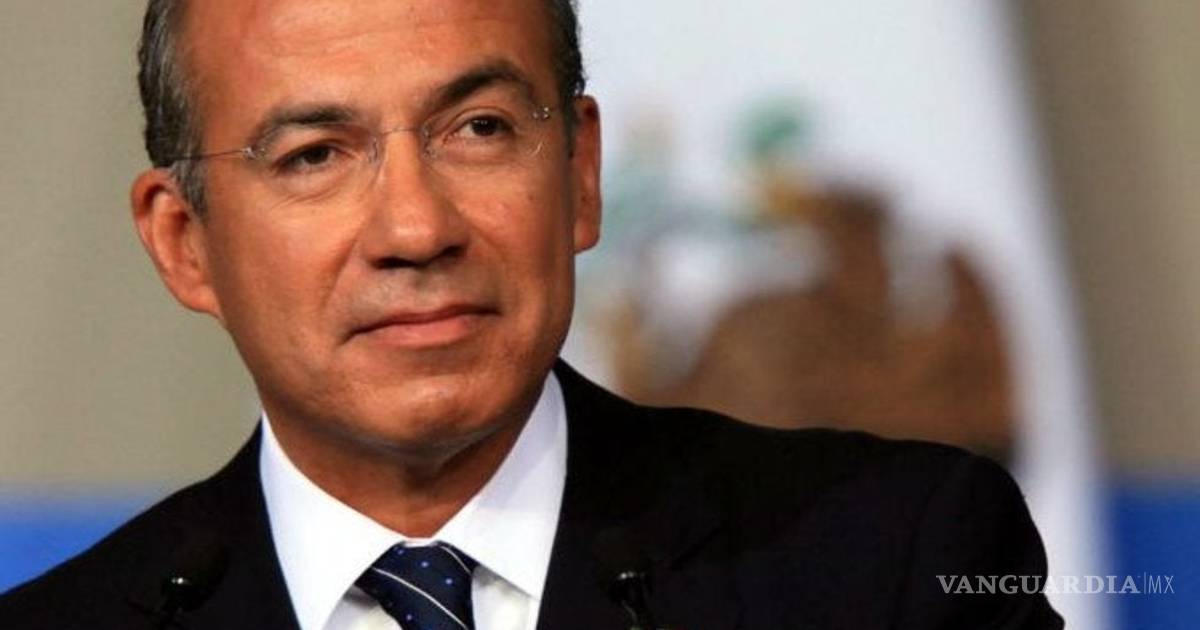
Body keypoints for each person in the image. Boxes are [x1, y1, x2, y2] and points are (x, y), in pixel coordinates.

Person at [0, 0, 1063, 628]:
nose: (416, 228)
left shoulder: (887, 567)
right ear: (185, 242)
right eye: (315, 155)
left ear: (581, 174)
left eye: (480, 128)